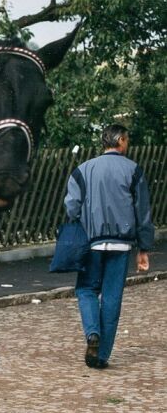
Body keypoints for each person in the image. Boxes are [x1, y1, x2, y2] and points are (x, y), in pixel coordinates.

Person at [64, 123, 154, 369]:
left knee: (86, 290)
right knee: (112, 297)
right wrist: (143, 249)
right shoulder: (133, 170)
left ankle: (92, 332)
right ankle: (101, 355)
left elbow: (71, 208)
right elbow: (142, 212)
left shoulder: (82, 170)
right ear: (121, 141)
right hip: (122, 244)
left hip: (91, 243)